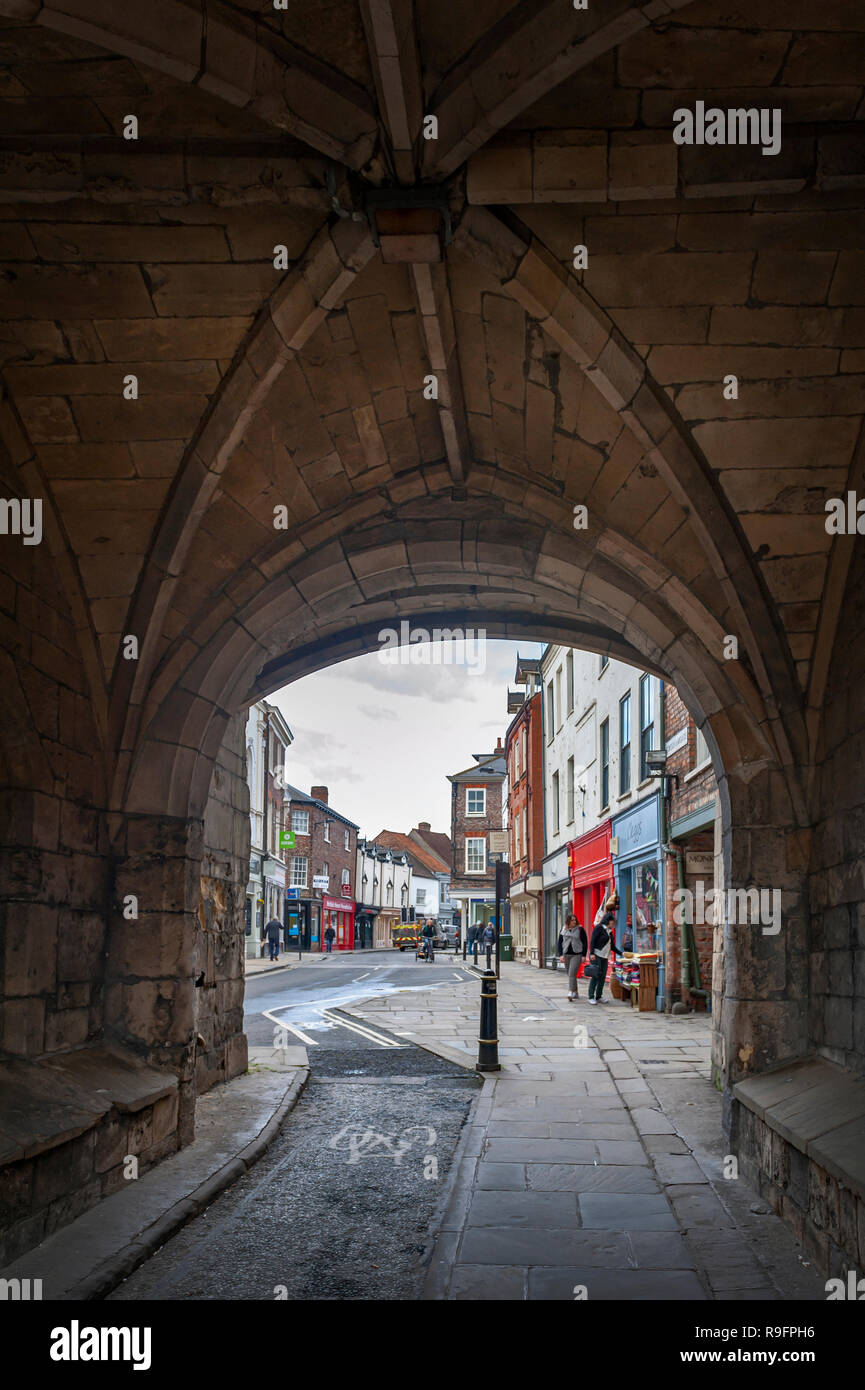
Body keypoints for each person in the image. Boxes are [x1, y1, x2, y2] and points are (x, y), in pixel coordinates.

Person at [588, 892, 620, 1004]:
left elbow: (612, 946)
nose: (613, 924)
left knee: (602, 977)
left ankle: (599, 996)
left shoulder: (609, 931)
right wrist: (591, 953)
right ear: (608, 921)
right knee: (595, 975)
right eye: (613, 922)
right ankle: (591, 996)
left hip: (605, 956)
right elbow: (592, 941)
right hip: (596, 955)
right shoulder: (599, 928)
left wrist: (621, 953)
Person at [557, 912, 588, 1001]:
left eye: (575, 920)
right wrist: (561, 955)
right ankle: (576, 992)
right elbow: (559, 943)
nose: (574, 922)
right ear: (568, 921)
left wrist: (583, 955)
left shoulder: (580, 929)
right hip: (566, 954)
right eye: (572, 920)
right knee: (570, 974)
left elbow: (585, 942)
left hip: (577, 954)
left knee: (572, 973)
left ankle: (570, 991)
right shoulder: (563, 930)